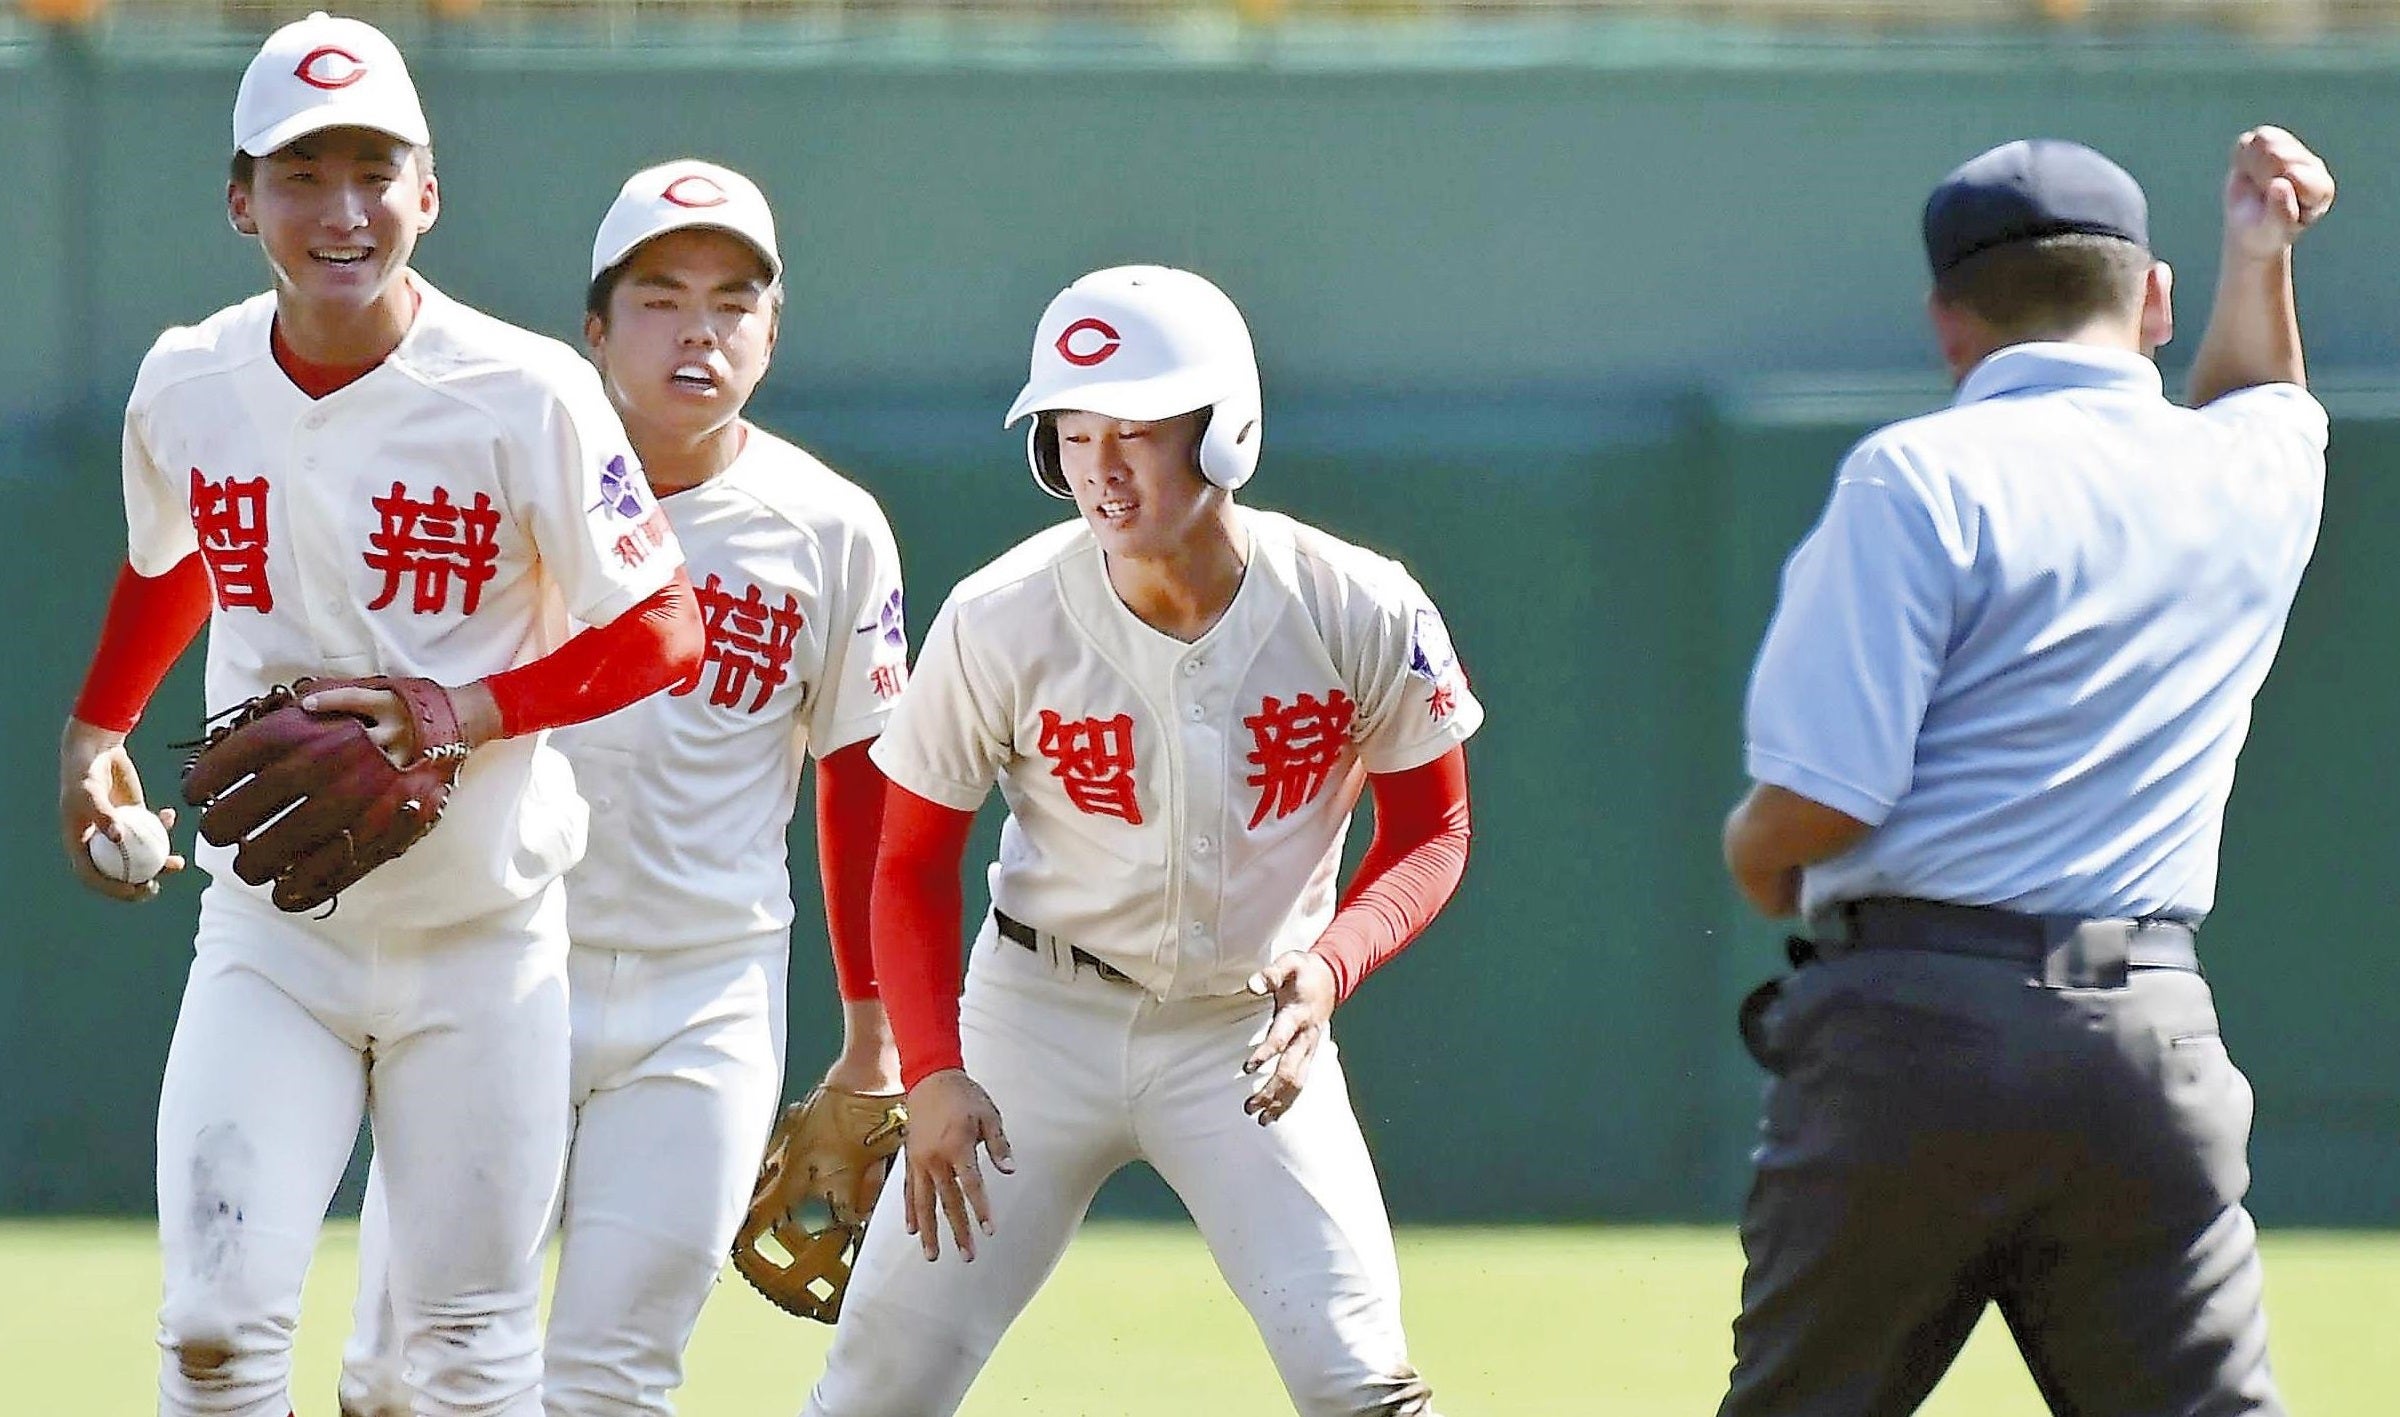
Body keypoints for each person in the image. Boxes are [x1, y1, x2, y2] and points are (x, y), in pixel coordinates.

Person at [53, 13, 706, 1414]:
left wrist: (466, 706)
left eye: (373, 171)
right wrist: (96, 730)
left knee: (460, 1354)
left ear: (429, 191)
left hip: (483, 941)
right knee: (212, 1332)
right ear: (241, 203)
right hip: (273, 935)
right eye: (301, 174)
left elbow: (666, 626)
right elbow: (180, 555)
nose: (341, 210)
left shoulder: (525, 390)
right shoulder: (188, 378)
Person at [775, 265, 1480, 1417]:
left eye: (1138, 430)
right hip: (1033, 1025)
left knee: (1359, 1384)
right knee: (875, 1391)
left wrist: (1331, 966)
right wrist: (935, 1067)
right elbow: (910, 866)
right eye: (1072, 432)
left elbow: (1432, 829)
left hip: (1245, 1034)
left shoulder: (1357, 603)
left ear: (1226, 431)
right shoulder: (1001, 615)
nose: (1101, 466)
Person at [1716, 128, 2336, 1415]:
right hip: (2146, 1040)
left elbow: (1828, 792)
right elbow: (2262, 403)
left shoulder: (1914, 475)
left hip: (1913, 1037)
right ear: (2152, 298)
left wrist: (1753, 853)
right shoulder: (2246, 473)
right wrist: (2258, 254)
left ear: (1949, 324)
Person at [334, 159, 911, 1417]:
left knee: (615, 1380)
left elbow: (860, 786)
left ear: (772, 334)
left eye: (732, 302)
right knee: (402, 1373)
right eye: (659, 299)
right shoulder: (499, 480)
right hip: (494, 964)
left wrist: (875, 1035)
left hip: (706, 994)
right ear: (594, 328)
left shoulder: (829, 527)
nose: (698, 331)